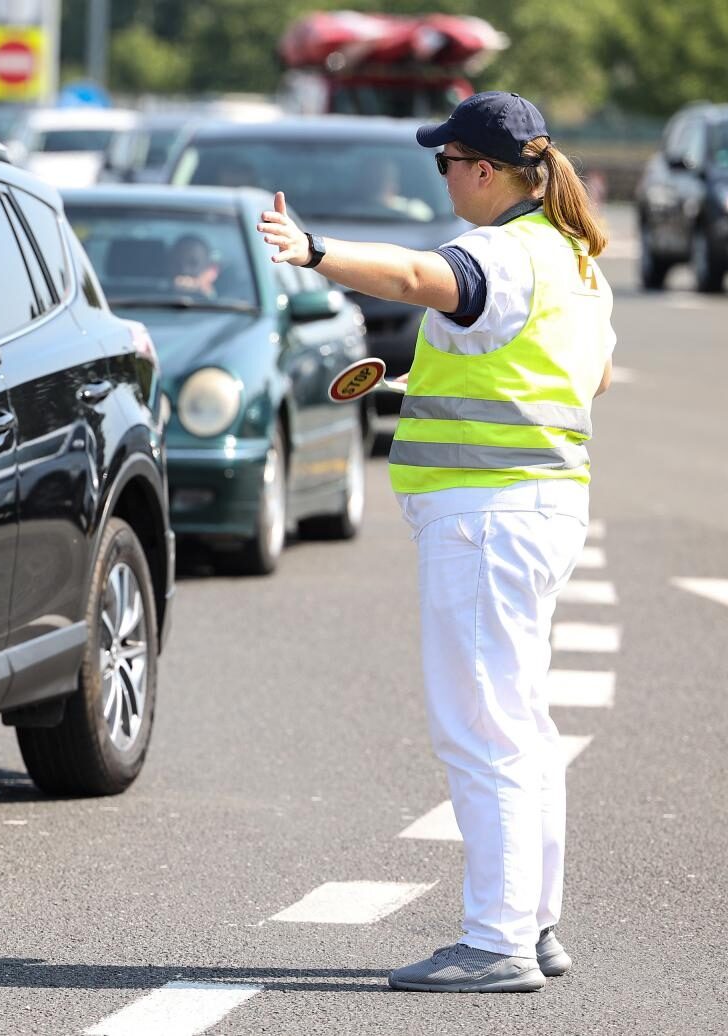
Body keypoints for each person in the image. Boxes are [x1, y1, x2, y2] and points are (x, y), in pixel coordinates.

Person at [255, 91, 615, 993]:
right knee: (521, 727)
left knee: (482, 730)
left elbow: (421, 278)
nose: (443, 176)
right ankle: (533, 925)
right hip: (542, 505)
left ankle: (496, 941)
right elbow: (586, 377)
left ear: (486, 169)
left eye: (445, 162)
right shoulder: (576, 258)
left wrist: (318, 252)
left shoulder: (499, 249)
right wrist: (433, 370)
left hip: (487, 517)